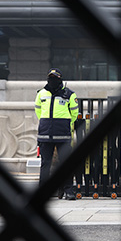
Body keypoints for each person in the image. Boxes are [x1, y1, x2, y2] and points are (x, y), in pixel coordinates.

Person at [34, 68, 79, 200]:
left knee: (65, 163)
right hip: (45, 134)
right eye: (50, 77)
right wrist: (46, 123)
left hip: (63, 134)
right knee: (45, 164)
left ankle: (68, 191)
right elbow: (38, 111)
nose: (52, 80)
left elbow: (74, 113)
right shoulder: (41, 94)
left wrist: (65, 124)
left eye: (55, 77)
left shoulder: (69, 94)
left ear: (60, 79)